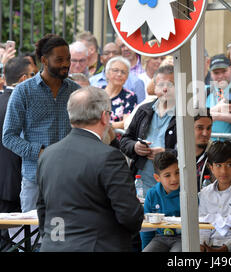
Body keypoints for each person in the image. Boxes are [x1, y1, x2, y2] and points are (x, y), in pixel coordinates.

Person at [37, 86, 144, 251]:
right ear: (104, 117)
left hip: (53, 245)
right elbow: (129, 214)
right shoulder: (109, 156)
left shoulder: (48, 155)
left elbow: (43, 208)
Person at [2, 34, 81, 212]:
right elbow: (8, 137)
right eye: (59, 59)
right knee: (33, 236)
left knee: (66, 236)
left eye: (68, 58)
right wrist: (42, 152)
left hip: (70, 180)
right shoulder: (23, 91)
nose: (66, 64)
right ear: (44, 60)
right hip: (35, 179)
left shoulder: (76, 91)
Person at [0, 57, 34, 251]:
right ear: (23, 79)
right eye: (33, 75)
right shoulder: (20, 105)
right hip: (13, 183)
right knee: (11, 243)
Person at [120, 65, 177, 193]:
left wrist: (167, 153)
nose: (165, 89)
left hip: (173, 186)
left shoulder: (186, 115)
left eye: (171, 84)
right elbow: (125, 141)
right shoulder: (144, 110)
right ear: (154, 87)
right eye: (161, 84)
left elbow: (194, 152)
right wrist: (135, 147)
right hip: (141, 184)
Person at [141, 151, 181, 252]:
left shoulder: (187, 193)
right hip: (160, 238)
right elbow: (147, 228)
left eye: (177, 172)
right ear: (157, 178)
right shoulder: (152, 194)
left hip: (182, 238)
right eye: (167, 175)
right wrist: (145, 248)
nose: (174, 179)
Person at [103, 56, 137, 130]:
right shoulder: (96, 92)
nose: (119, 74)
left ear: (127, 76)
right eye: (115, 70)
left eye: (123, 72)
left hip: (116, 138)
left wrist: (104, 126)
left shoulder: (130, 96)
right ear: (107, 73)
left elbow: (126, 123)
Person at [194, 114, 213, 191]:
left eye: (208, 128)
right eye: (200, 128)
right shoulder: (176, 154)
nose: (205, 133)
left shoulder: (218, 153)